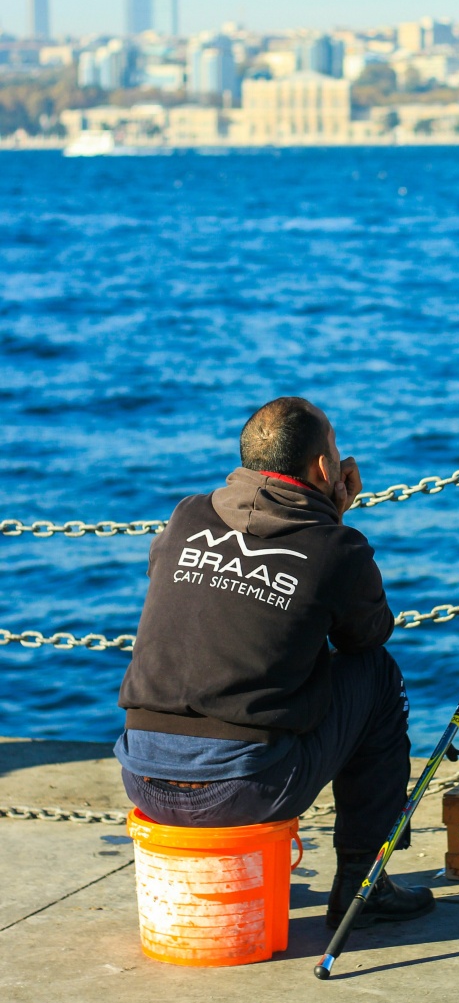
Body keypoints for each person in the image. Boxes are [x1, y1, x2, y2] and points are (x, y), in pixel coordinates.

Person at [115, 396, 434, 929]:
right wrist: (332, 518)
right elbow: (369, 635)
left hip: (142, 776)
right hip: (242, 790)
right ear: (324, 467)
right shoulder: (336, 547)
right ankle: (364, 884)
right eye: (334, 447)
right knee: (378, 675)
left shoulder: (187, 514)